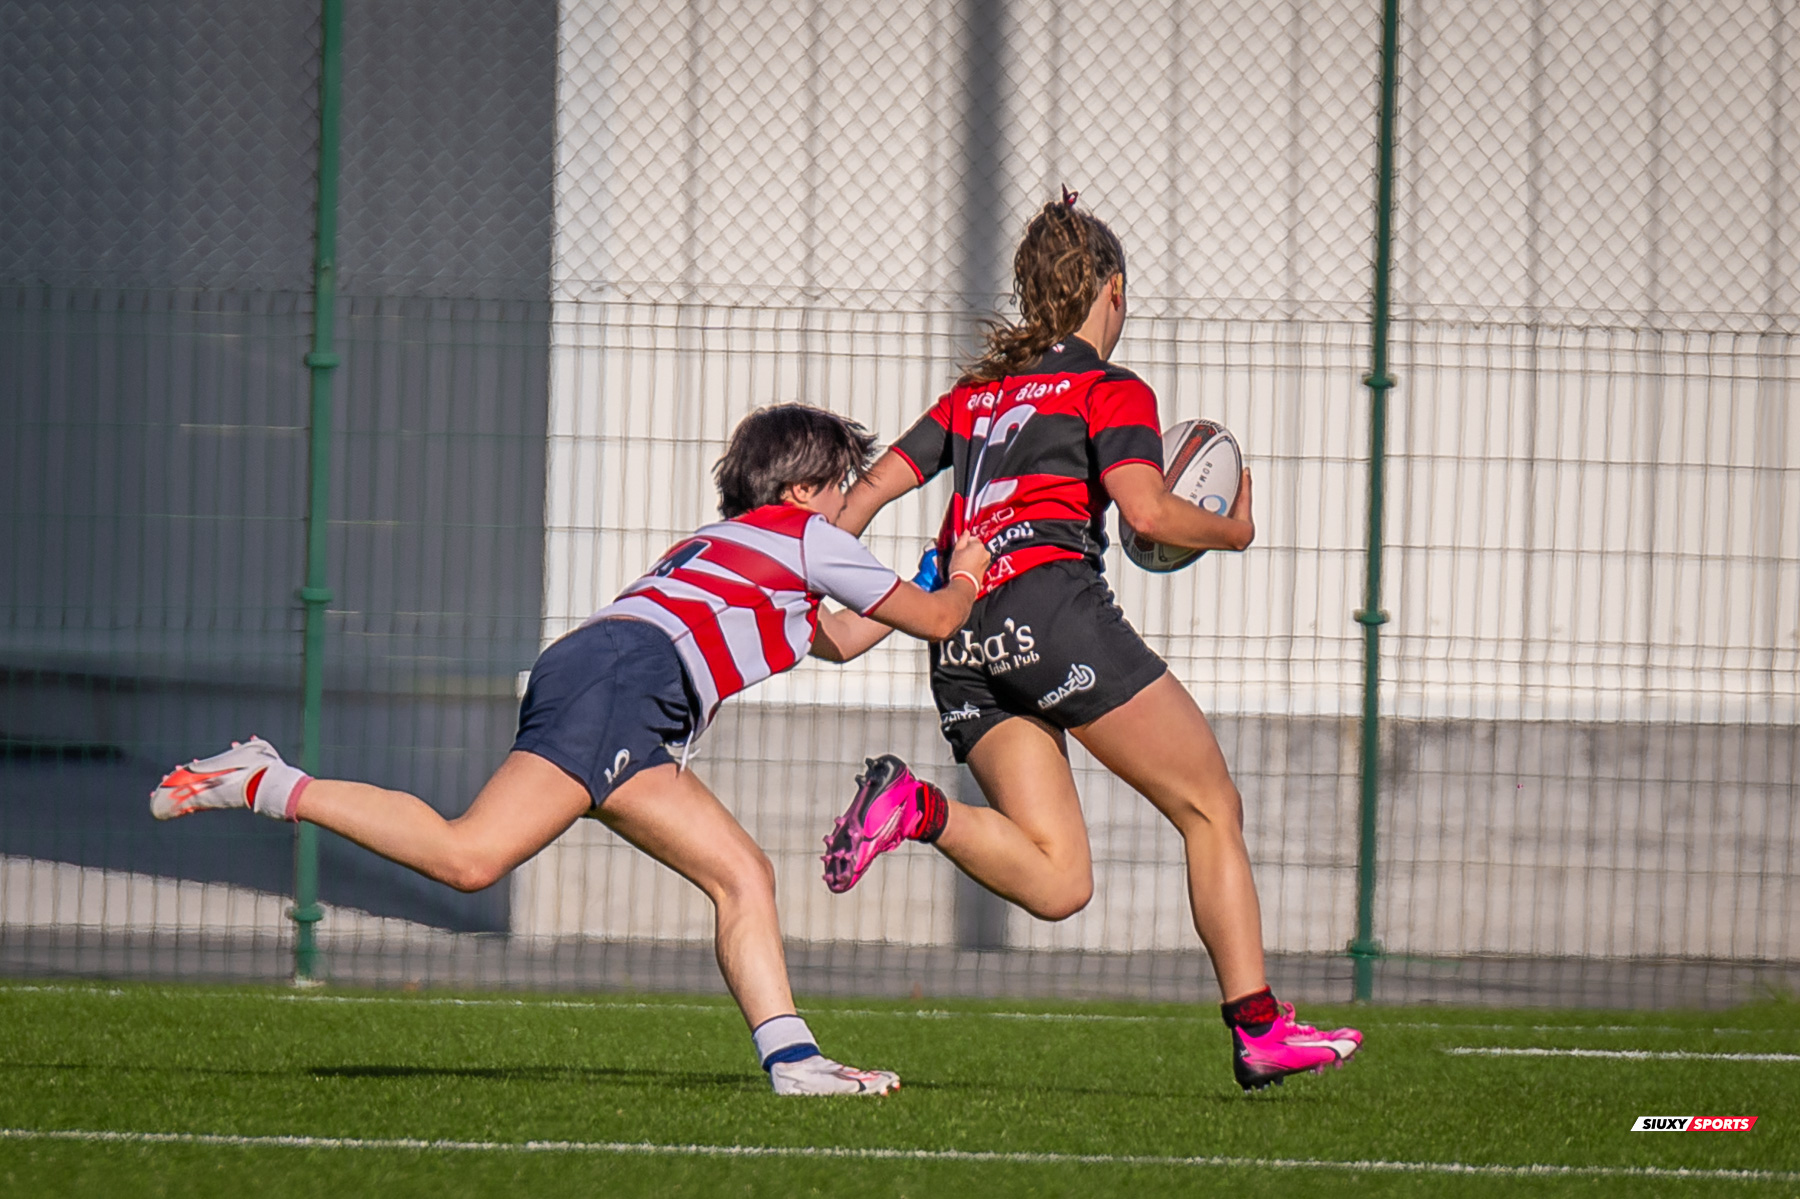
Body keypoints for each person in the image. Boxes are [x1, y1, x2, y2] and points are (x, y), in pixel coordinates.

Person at [150, 403, 990, 1097]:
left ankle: (795, 1062)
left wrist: (919, 584)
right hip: (625, 686)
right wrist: (965, 570)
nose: (852, 501)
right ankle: (268, 777)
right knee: (469, 854)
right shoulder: (805, 537)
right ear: (804, 489)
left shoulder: (732, 545)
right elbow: (946, 620)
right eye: (842, 486)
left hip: (612, 679)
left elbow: (838, 639)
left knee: (741, 872)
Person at [818, 191, 1361, 1092]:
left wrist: (819, 575)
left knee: (1061, 879)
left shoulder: (972, 398)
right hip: (1051, 606)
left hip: (959, 638)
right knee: (1210, 804)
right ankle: (1259, 1028)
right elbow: (1146, 509)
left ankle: (915, 805)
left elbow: (862, 500)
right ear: (1112, 291)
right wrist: (1232, 530)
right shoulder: (1110, 388)